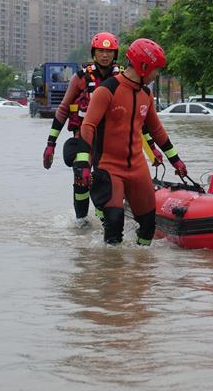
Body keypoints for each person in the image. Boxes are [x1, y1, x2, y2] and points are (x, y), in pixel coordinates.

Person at [42, 32, 163, 223]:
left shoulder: (126, 78)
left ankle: (105, 220)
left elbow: (140, 119)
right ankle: (81, 222)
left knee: (106, 185)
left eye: (109, 51)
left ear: (115, 54)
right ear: (94, 52)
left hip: (111, 144)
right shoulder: (81, 78)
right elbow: (63, 110)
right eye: (100, 51)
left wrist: (152, 149)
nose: (105, 55)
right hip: (85, 140)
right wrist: (51, 144)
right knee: (81, 180)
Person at [78, 38, 188, 245]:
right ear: (143, 66)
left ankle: (140, 272)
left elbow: (156, 130)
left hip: (137, 168)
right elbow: (88, 126)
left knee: (148, 226)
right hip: (109, 167)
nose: (157, 75)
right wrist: (83, 163)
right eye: (156, 70)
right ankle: (111, 270)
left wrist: (177, 161)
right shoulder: (107, 90)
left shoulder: (146, 95)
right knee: (114, 222)